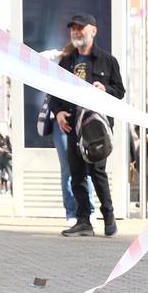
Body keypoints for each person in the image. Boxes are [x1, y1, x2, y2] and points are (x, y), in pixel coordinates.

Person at [49, 13, 124, 237]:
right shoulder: (66, 61)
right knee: (77, 174)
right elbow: (53, 90)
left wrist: (105, 90)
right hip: (73, 126)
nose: (76, 32)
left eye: (80, 28)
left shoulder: (107, 61)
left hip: (96, 127)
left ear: (93, 31)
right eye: (73, 29)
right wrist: (58, 112)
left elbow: (119, 91)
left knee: (98, 172)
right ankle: (84, 222)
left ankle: (109, 218)